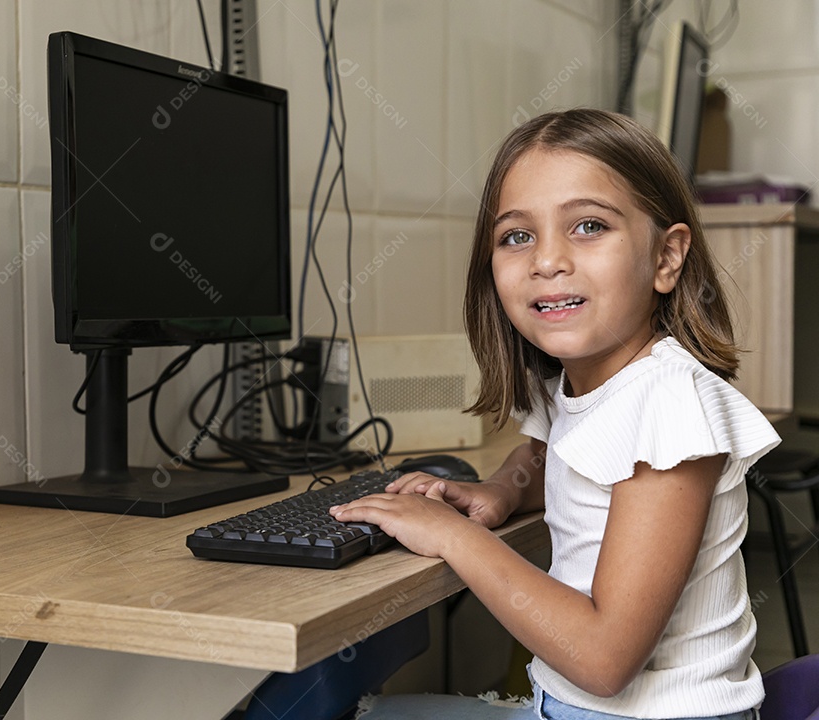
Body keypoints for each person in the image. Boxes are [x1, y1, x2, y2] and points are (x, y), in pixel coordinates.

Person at [331, 108, 779, 720]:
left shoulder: (669, 403)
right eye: (517, 236)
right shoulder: (589, 378)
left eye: (589, 226)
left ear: (667, 259)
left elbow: (604, 660)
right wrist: (502, 491)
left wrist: (452, 535)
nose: (547, 259)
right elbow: (554, 454)